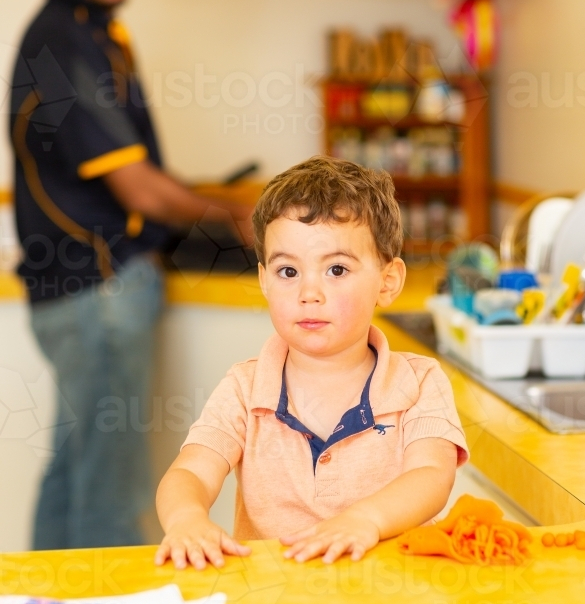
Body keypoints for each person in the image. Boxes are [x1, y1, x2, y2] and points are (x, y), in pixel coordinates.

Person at [9, 0, 253, 550]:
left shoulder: (93, 31)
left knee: (77, 474)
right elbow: (140, 189)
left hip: (77, 290)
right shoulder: (65, 45)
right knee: (111, 500)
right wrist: (233, 212)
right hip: (98, 289)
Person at [155, 156, 468, 568]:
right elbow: (191, 472)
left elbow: (432, 476)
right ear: (265, 280)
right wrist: (186, 518)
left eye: (336, 269)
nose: (309, 292)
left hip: (393, 603)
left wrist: (365, 519)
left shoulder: (421, 383)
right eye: (288, 272)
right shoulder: (243, 388)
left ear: (387, 282)